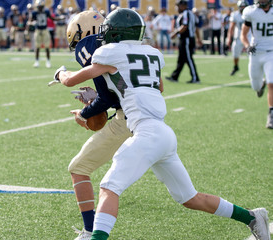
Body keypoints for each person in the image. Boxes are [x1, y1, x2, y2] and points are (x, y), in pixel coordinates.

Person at [53, 8, 270, 240]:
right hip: (163, 134)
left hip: (146, 133)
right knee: (190, 198)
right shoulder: (152, 53)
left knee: (109, 187)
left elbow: (70, 81)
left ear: (114, 33)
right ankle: (251, 217)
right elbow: (158, 87)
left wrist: (60, 73)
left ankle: (94, 237)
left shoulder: (110, 52)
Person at [63, 10, 133, 239]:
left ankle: (90, 232)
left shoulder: (92, 45)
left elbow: (108, 99)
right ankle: (248, 216)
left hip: (129, 120)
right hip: (153, 119)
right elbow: (122, 89)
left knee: (79, 168)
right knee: (187, 195)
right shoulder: (129, 45)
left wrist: (85, 113)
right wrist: (100, 97)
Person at [241, 0, 273, 129]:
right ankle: (261, 85)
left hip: (271, 52)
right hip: (256, 52)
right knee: (255, 86)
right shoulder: (251, 12)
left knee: (272, 83)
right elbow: (243, 34)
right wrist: (247, 46)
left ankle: (271, 114)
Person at [166, 0, 201, 83]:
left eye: (178, 6)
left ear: (183, 6)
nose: (177, 8)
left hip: (186, 39)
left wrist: (175, 33)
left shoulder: (186, 13)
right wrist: (198, 38)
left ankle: (195, 78)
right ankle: (175, 76)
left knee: (188, 59)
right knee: (181, 59)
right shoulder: (190, 13)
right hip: (186, 39)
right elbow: (196, 28)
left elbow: (184, 26)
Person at [227, 0, 249, 76]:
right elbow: (231, 27)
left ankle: (254, 69)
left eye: (244, 6)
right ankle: (236, 66)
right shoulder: (235, 15)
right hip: (238, 37)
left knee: (252, 55)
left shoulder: (250, 14)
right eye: (241, 6)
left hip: (248, 37)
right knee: (235, 55)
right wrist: (229, 38)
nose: (242, 8)